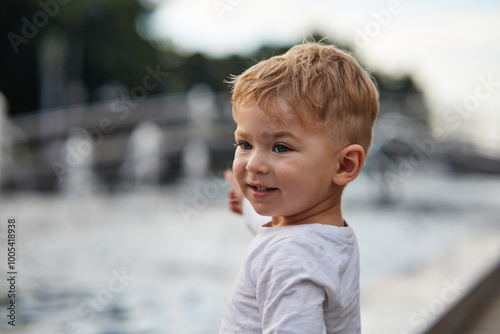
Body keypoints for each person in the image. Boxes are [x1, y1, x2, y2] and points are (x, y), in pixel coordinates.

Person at [219, 41, 379, 333]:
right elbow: (276, 228)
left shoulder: (289, 258)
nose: (254, 164)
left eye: (280, 147)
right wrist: (244, 204)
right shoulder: (325, 234)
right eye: (245, 144)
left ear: (344, 165)